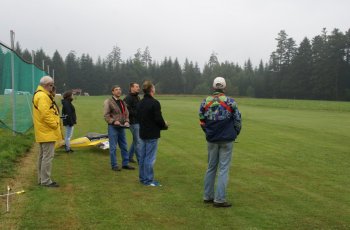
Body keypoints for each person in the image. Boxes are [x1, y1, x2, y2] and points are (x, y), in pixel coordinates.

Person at [199, 76, 242, 207]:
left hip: (211, 139)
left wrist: (208, 133)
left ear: (213, 87)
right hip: (227, 139)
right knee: (223, 169)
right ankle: (219, 199)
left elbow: (201, 120)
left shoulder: (205, 102)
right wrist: (235, 133)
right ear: (224, 87)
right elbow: (238, 120)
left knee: (211, 167)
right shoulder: (231, 102)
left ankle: (207, 196)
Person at [32, 76, 62, 188]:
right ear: (46, 85)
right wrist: (55, 124)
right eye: (51, 85)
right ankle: (46, 181)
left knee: (43, 156)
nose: (53, 87)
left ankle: (41, 179)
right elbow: (46, 114)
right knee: (47, 157)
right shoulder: (42, 96)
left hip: (43, 131)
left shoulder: (42, 94)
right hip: (47, 131)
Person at [137, 80, 168, 186]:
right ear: (151, 90)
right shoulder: (155, 103)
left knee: (143, 156)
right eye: (153, 88)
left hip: (142, 133)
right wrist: (165, 125)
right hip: (152, 134)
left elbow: (138, 117)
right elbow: (158, 119)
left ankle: (142, 178)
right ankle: (148, 180)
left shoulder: (140, 103)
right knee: (149, 158)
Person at [104, 85, 135, 171]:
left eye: (120, 89)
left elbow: (126, 114)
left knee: (124, 146)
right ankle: (114, 165)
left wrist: (127, 121)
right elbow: (106, 115)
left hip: (122, 127)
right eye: (116, 90)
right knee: (113, 147)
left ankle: (125, 164)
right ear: (112, 92)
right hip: (113, 127)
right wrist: (113, 121)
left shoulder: (122, 102)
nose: (118, 91)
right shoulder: (108, 101)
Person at [124, 82, 141, 163]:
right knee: (138, 141)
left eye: (138, 87)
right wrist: (137, 113)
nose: (138, 88)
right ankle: (140, 160)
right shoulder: (128, 98)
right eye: (137, 87)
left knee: (136, 140)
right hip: (133, 122)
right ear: (132, 88)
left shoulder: (137, 97)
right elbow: (126, 110)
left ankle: (129, 157)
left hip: (138, 121)